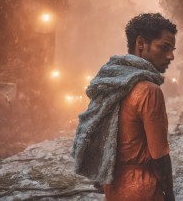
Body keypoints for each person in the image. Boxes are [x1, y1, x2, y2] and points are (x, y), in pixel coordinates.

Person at [72, 13, 177, 201]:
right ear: (141, 44)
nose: (171, 56)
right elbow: (160, 157)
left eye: (172, 49)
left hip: (112, 187)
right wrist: (169, 196)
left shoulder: (112, 82)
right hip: (143, 190)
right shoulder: (148, 91)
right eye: (164, 48)